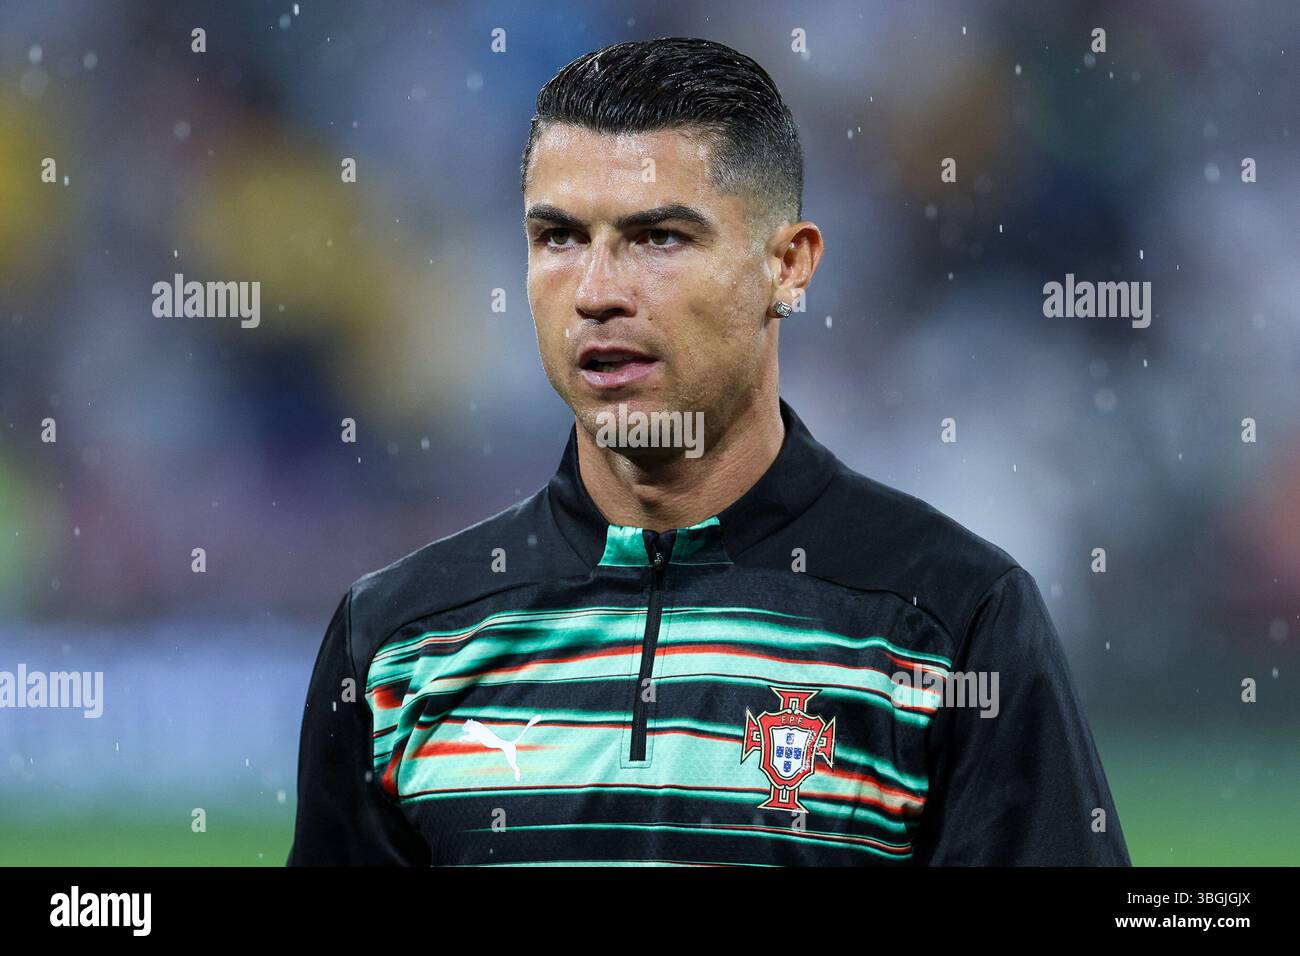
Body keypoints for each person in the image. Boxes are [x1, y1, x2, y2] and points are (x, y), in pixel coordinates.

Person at [288, 36, 1130, 866]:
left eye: (658, 238)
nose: (596, 292)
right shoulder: (399, 640)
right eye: (559, 237)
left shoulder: (950, 619)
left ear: (788, 268)